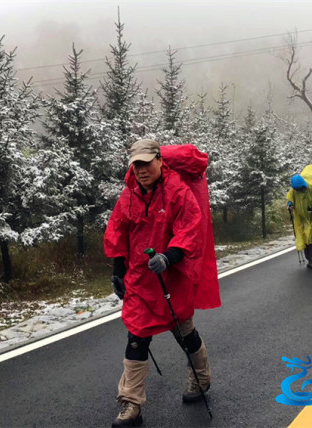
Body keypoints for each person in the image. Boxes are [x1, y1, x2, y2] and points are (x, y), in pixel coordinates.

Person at [104, 139, 220, 427]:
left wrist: (170, 256)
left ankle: (201, 378)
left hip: (173, 277)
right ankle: (131, 404)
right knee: (136, 337)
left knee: (184, 332)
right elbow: (118, 229)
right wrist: (118, 269)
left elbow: (191, 226)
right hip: (140, 281)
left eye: (146, 163)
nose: (142, 170)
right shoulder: (129, 195)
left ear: (159, 161)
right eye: (137, 165)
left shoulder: (176, 190)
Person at [286, 164, 312, 269]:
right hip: (300, 218)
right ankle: (309, 258)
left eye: (300, 188)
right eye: (297, 189)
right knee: (304, 238)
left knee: (311, 239)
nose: (298, 190)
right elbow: (290, 198)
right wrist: (290, 205)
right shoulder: (294, 191)